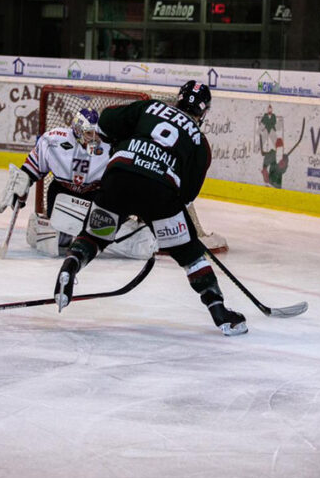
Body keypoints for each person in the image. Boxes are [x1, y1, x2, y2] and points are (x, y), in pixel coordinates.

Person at [53, 80, 247, 336]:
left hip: (118, 178)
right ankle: (219, 311)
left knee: (94, 236)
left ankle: (72, 264)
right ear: (204, 112)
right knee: (190, 254)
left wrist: (123, 141)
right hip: (160, 192)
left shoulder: (150, 107)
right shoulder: (201, 143)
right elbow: (187, 196)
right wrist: (157, 216)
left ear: (178, 98)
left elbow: (106, 121)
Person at [0, 107, 157, 260]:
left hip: (94, 194)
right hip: (62, 193)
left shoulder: (112, 146)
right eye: (89, 133)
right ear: (78, 131)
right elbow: (31, 168)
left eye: (97, 133)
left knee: (125, 240)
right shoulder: (53, 140)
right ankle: (41, 225)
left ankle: (103, 231)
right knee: (58, 243)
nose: (95, 138)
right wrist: (21, 185)